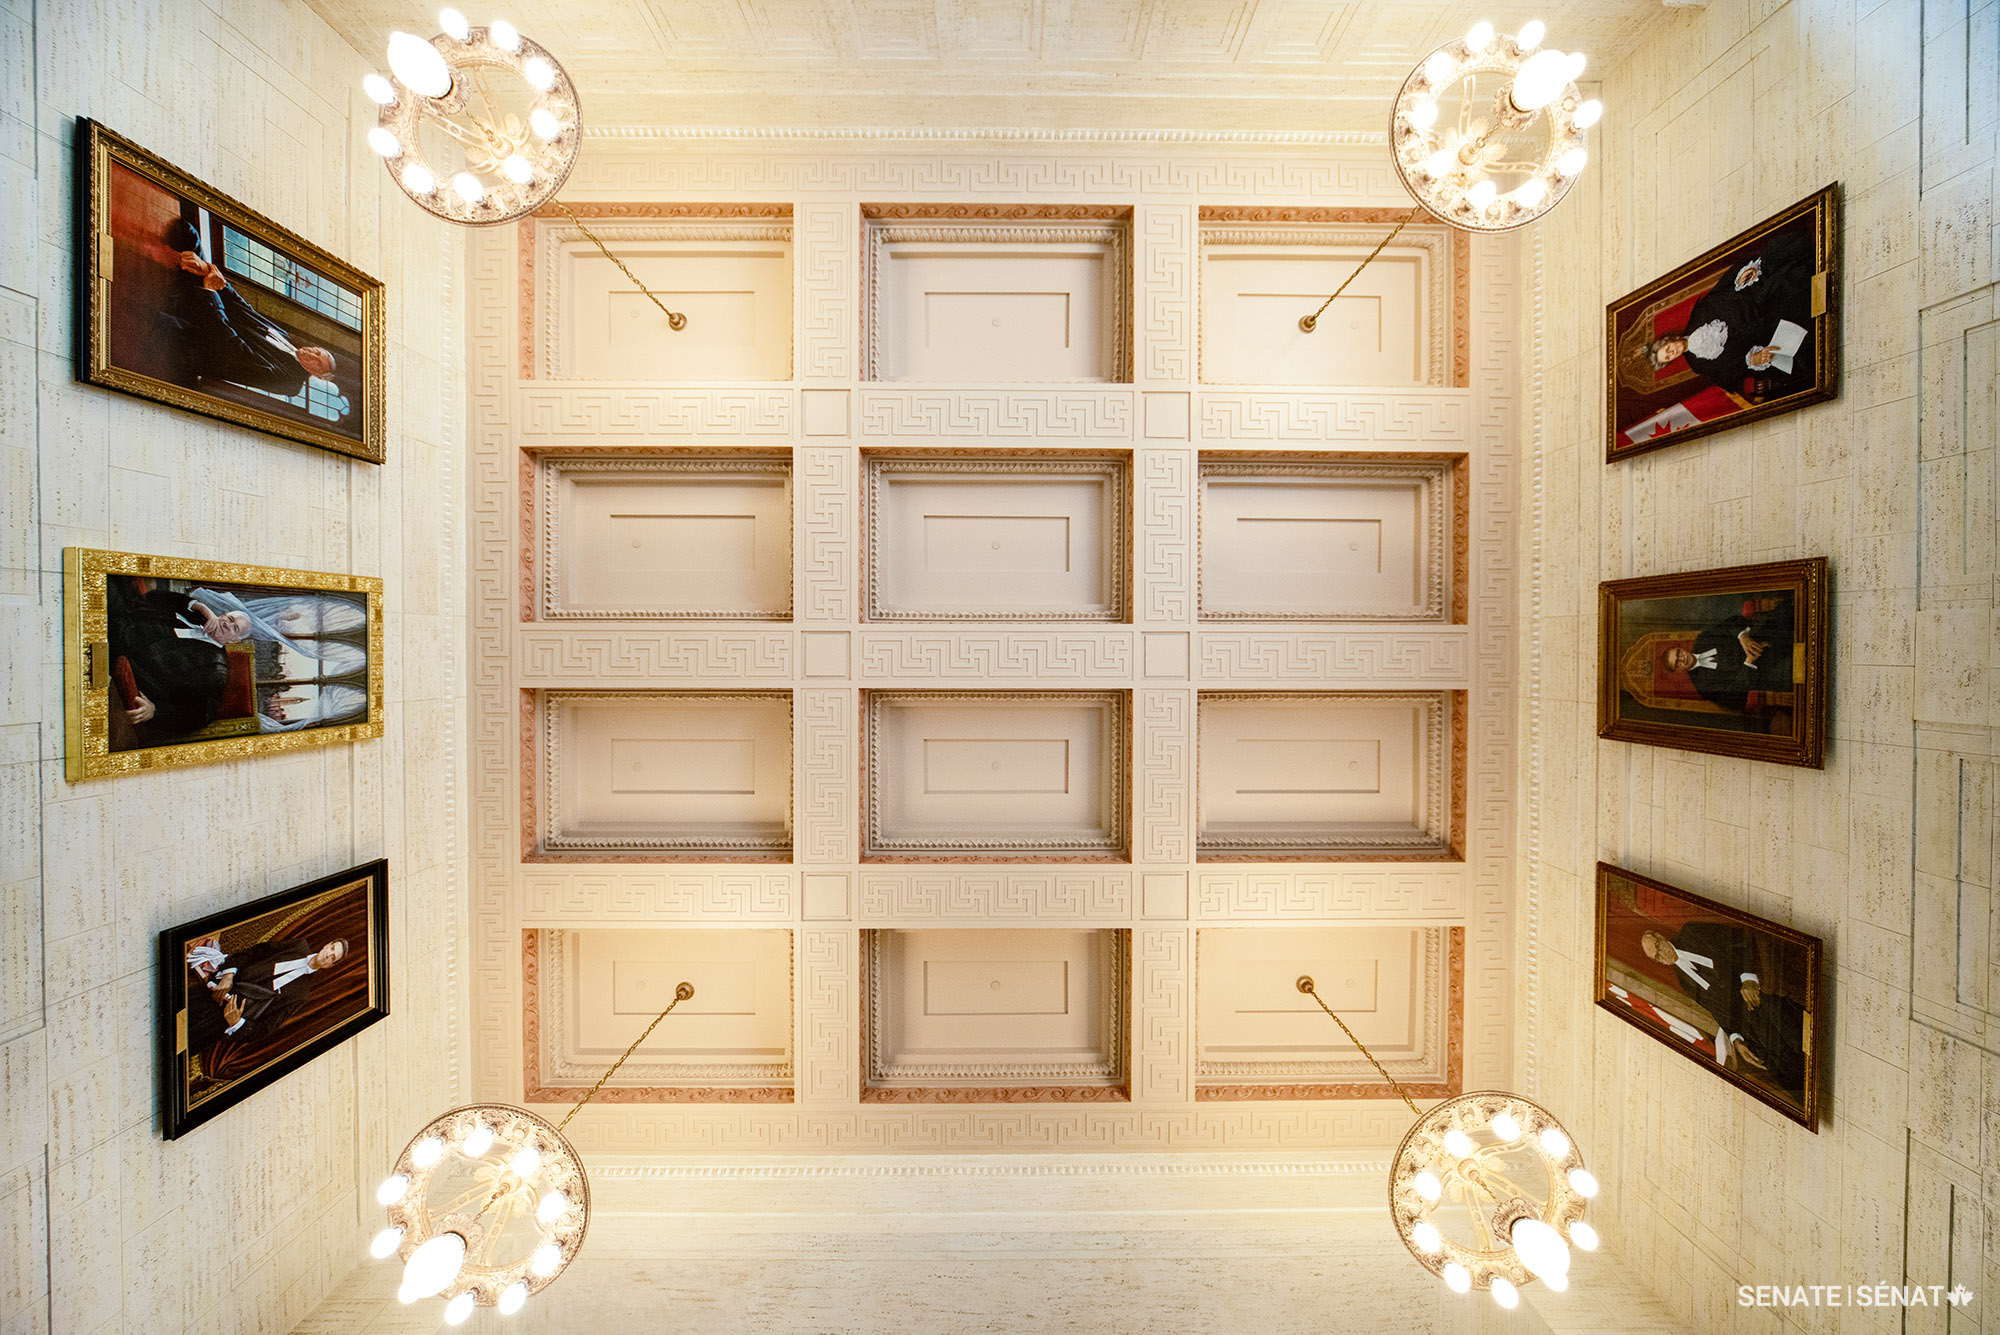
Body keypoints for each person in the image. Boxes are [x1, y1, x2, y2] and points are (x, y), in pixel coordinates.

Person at [163, 220, 337, 400]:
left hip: (195, 338)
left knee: (158, 306)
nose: (312, 354)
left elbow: (233, 348)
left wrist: (210, 292)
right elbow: (244, 309)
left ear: (317, 375)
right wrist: (210, 272)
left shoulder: (290, 383)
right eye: (317, 351)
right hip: (204, 307)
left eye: (318, 361)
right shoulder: (284, 336)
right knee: (188, 233)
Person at [1643, 226, 1818, 397]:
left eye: (1667, 349)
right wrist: (1752, 360)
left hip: (1755, 304)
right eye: (1668, 358)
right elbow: (1732, 369)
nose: (1671, 352)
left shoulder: (1698, 315)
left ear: (1668, 340)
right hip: (1761, 335)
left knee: (1779, 280)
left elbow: (1727, 293)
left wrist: (1740, 280)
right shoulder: (1699, 364)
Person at [1640, 923, 1808, 1097]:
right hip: (1748, 1027)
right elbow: (1715, 1010)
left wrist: (1748, 979)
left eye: (1659, 948)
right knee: (1784, 1072)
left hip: (1762, 997)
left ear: (1661, 937)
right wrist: (1734, 1037)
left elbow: (1740, 938)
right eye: (1657, 958)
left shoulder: (1692, 932)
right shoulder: (1683, 981)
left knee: (1797, 1039)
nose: (1662, 956)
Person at [106, 577, 250, 737]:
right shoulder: (199, 616)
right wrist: (198, 606)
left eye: (234, 628)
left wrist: (156, 711)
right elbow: (154, 596)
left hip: (123, 648)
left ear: (234, 640)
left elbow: (203, 715)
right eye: (229, 619)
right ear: (222, 615)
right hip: (127, 613)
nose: (227, 625)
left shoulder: (216, 667)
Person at [187, 938, 347, 1049]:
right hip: (213, 991)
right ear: (327, 945)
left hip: (217, 1022)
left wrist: (236, 1022)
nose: (327, 955)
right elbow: (253, 953)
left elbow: (266, 1028)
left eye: (332, 958)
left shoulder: (301, 995)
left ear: (329, 966)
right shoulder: (298, 946)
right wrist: (228, 975)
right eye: (331, 948)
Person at [1658, 599, 1795, 712]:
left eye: (1678, 653)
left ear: (1680, 648)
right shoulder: (1703, 686)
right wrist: (1749, 662)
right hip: (1764, 671)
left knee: (1788, 611)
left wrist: (1742, 636)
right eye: (1677, 663)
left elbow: (1731, 623)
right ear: (1678, 670)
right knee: (1795, 665)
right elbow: (1734, 700)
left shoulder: (1702, 639)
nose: (1682, 658)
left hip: (1760, 636)